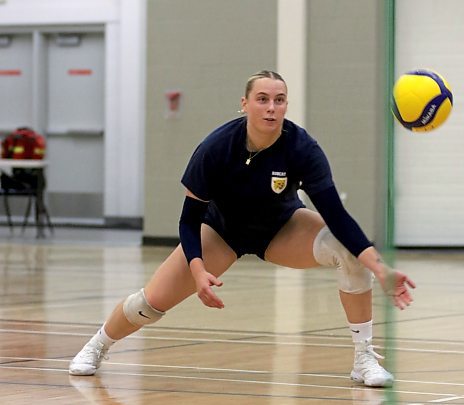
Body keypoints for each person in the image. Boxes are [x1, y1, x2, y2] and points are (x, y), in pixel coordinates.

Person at [69, 70, 415, 387]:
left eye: (279, 100)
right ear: (245, 104)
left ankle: (363, 358)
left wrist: (380, 269)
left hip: (281, 228)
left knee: (348, 251)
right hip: (220, 231)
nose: (271, 108)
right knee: (147, 305)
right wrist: (198, 269)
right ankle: (98, 344)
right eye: (262, 99)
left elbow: (336, 215)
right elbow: (189, 220)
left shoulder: (302, 148)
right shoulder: (215, 148)